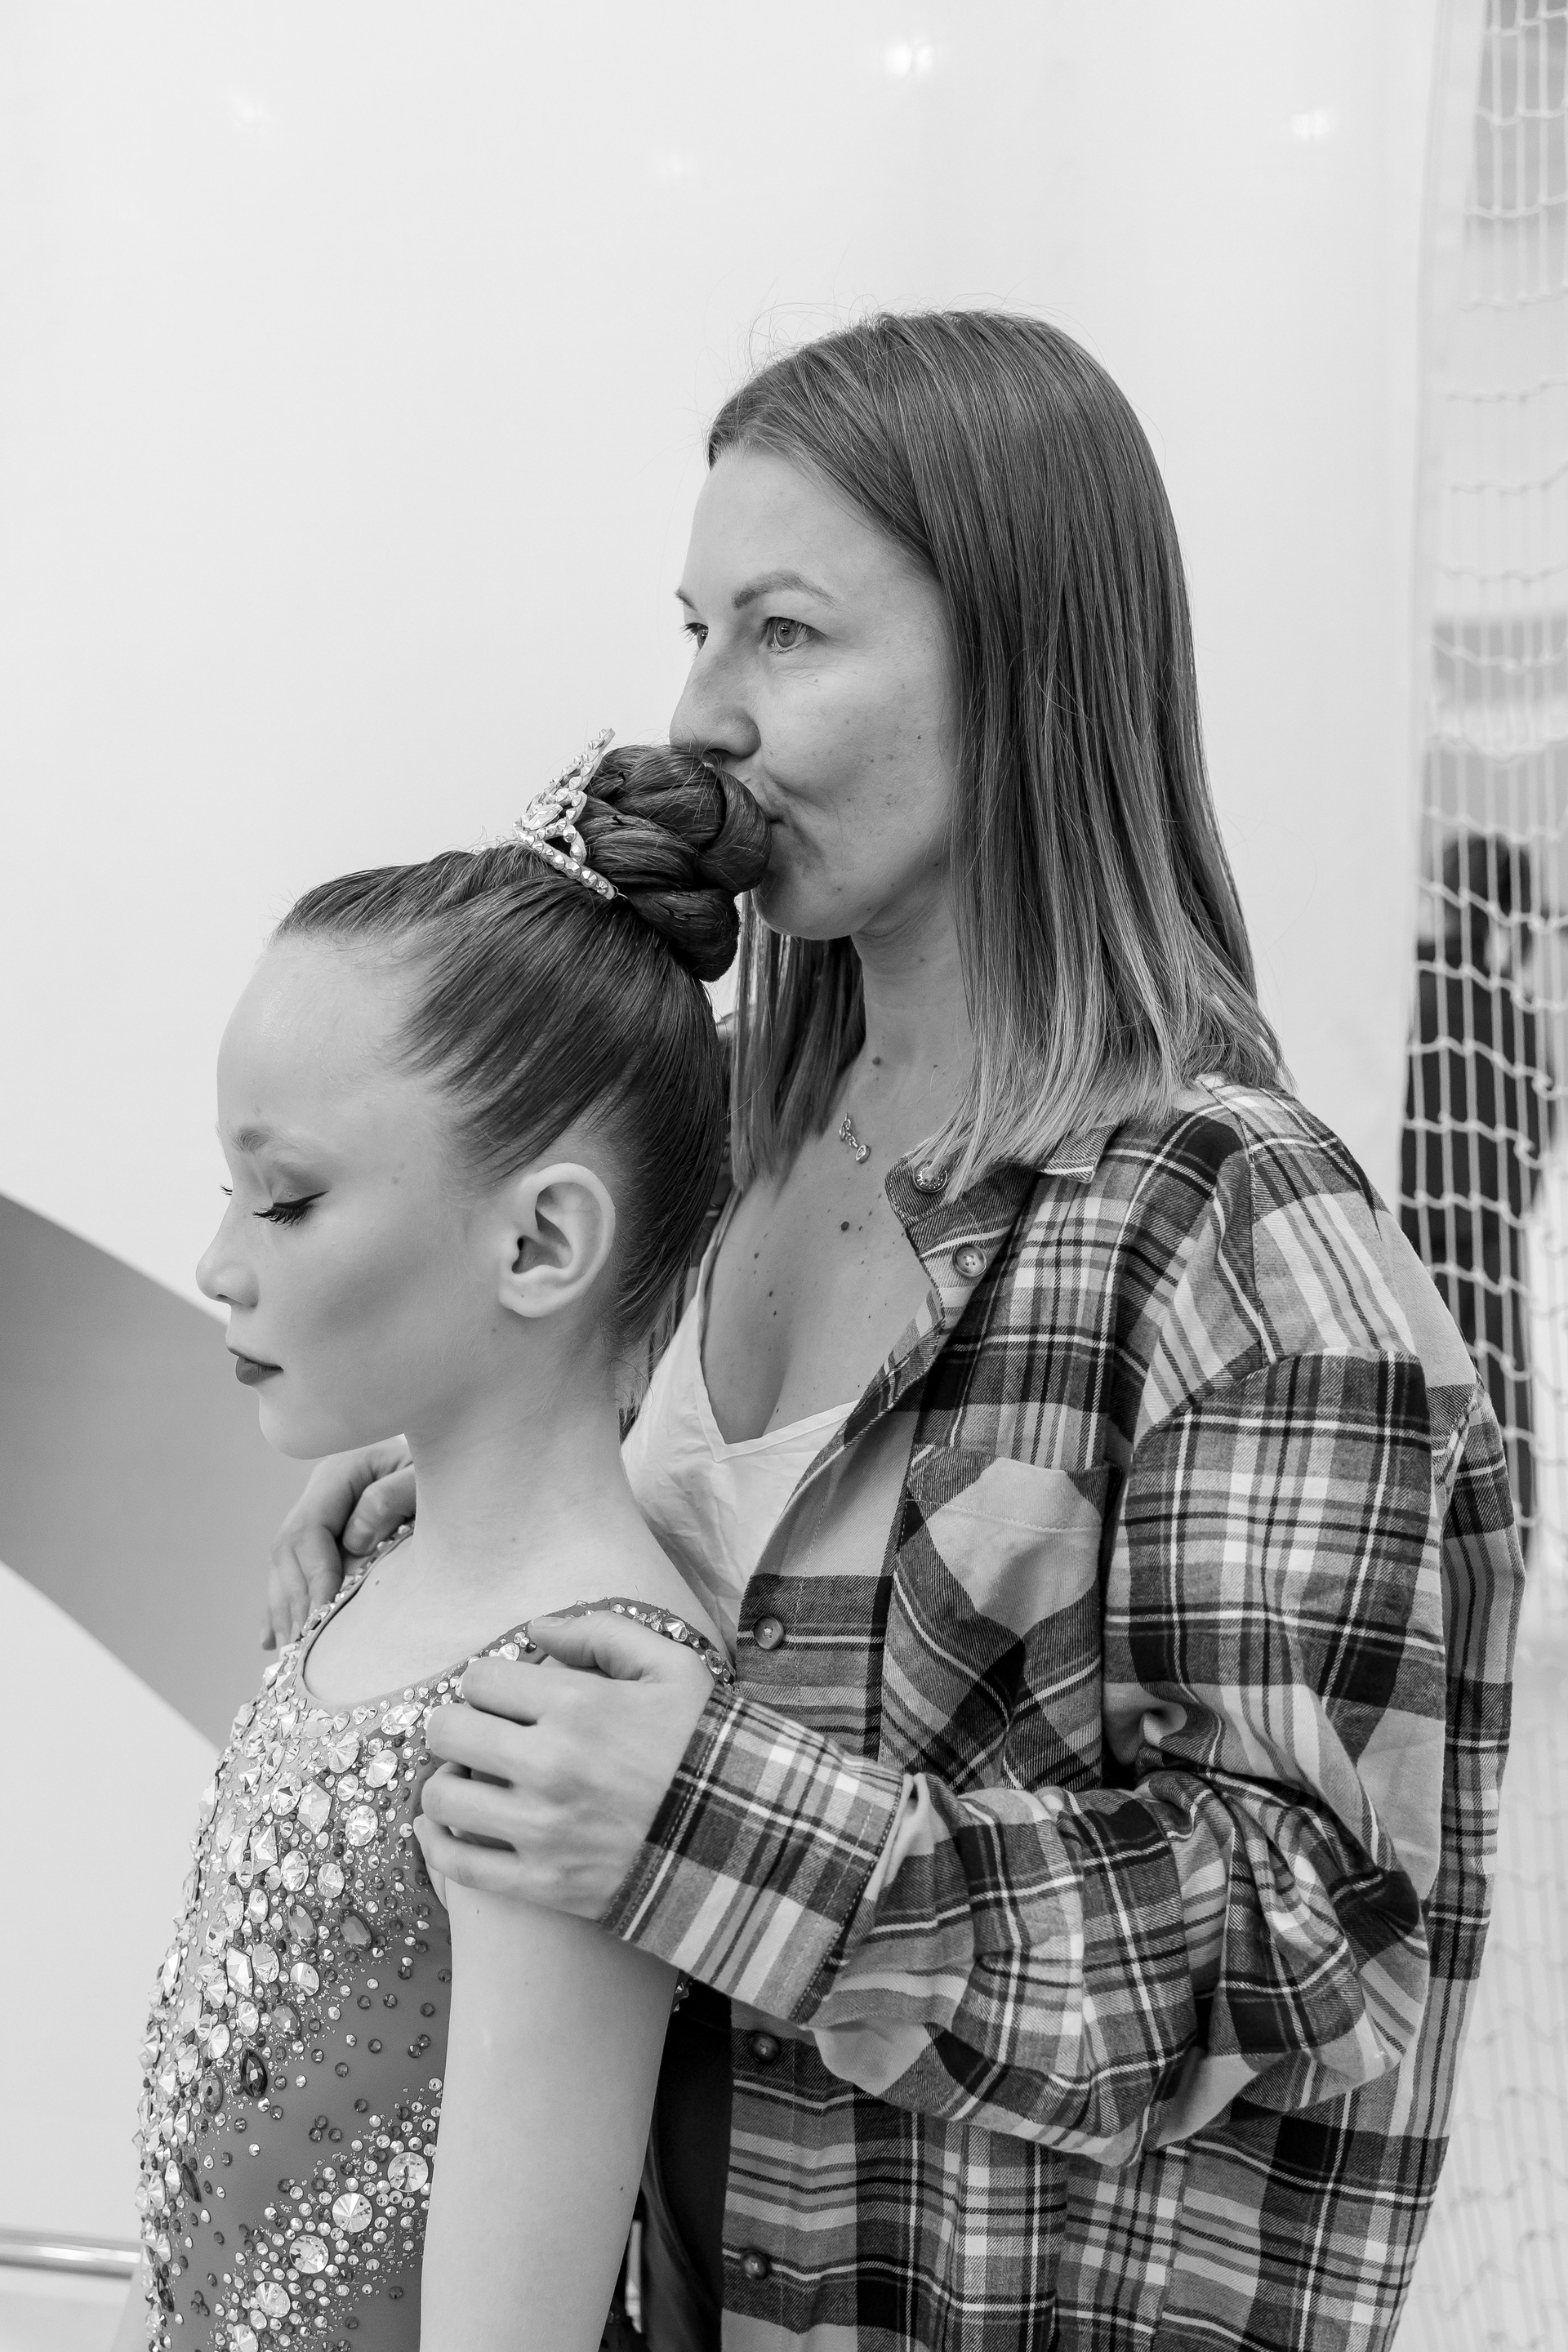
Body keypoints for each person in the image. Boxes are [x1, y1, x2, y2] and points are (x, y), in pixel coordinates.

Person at [265, 313, 1524, 2352]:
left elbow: (1314, 1945)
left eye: (786, 632)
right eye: (698, 631)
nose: (704, 716)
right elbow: (723, 1605)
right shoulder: (736, 1135)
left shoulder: (1234, 1227)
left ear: (1025, 661)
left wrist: (711, 1817)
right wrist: (483, 1493)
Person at [115, 742, 767, 2352]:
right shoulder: (367, 1582)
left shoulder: (578, 1704)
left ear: (539, 1240)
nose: (217, 1263)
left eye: (286, 1201)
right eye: (229, 1190)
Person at [1401, 831, 1555, 1550]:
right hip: (1489, 1272)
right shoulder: (1514, 1018)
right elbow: (1533, 1148)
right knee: (1498, 1457)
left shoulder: (1408, 994)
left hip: (1412, 1261)